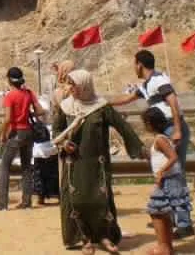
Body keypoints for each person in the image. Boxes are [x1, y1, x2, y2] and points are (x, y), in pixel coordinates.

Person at [54, 69, 145, 254]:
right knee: (77, 201)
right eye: (69, 84)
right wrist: (64, 144)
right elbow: (56, 132)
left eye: (74, 84)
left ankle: (104, 236)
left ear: (85, 86)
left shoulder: (101, 107)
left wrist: (139, 148)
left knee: (99, 200)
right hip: (74, 163)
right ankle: (84, 239)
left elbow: (123, 127)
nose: (71, 88)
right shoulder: (65, 107)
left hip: (97, 164)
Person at [111, 50, 195, 238]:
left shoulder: (158, 80)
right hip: (165, 129)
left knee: (175, 174)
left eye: (134, 64)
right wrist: (107, 104)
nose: (134, 68)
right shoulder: (148, 85)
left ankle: (184, 223)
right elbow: (129, 98)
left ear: (139, 64)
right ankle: (169, 219)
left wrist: (178, 129)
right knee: (166, 174)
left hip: (172, 128)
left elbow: (173, 101)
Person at [0, 67, 45, 211]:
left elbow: (8, 118)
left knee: (4, 166)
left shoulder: (10, 96)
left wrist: (1, 133)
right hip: (28, 132)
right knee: (26, 167)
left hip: (16, 132)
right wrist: (28, 114)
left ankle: (2, 203)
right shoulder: (28, 93)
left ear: (9, 79)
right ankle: (26, 202)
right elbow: (40, 111)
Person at [143, 107, 193, 255]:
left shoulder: (160, 139)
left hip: (167, 179)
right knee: (163, 212)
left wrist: (161, 172)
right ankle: (167, 247)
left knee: (157, 211)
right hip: (170, 178)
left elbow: (173, 157)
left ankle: (163, 247)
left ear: (150, 123)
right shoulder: (163, 138)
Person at [32, 94, 59, 206]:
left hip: (43, 149)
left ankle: (41, 197)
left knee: (41, 174)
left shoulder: (40, 120)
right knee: (49, 173)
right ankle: (43, 196)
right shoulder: (45, 120)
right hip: (46, 148)